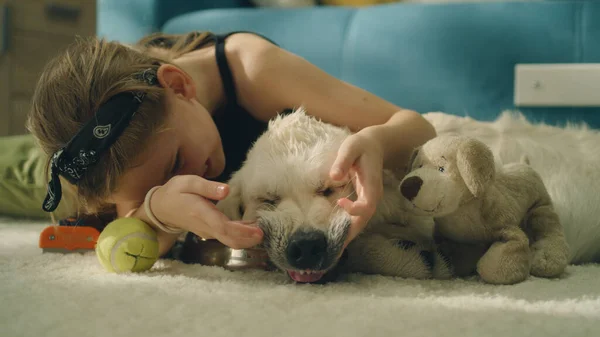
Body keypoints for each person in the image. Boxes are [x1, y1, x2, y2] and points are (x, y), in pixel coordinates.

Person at [19, 30, 436, 258]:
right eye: (152, 185)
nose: (186, 180)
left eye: (177, 162)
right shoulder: (129, 163)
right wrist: (156, 209)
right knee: (34, 186)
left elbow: (418, 128)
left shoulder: (255, 69)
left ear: (180, 86)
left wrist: (377, 140)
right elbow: (134, 233)